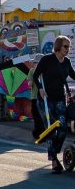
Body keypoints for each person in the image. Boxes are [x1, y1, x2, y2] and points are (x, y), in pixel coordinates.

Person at [32, 36, 75, 174]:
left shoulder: (67, 62)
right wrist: (40, 88)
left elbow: (73, 75)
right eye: (65, 47)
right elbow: (35, 75)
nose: (68, 49)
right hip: (45, 99)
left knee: (62, 128)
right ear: (58, 47)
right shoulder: (47, 60)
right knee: (51, 129)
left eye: (69, 47)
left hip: (60, 99)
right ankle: (54, 161)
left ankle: (54, 151)